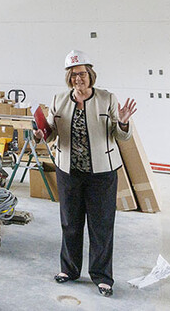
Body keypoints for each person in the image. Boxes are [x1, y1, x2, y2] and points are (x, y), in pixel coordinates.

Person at [33, 49, 137, 297]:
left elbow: (122, 135)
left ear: (90, 75)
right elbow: (52, 132)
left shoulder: (106, 98)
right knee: (70, 222)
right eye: (73, 75)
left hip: (101, 172)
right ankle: (69, 270)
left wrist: (122, 121)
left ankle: (102, 277)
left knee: (101, 225)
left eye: (82, 74)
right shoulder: (59, 99)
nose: (78, 79)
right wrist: (42, 134)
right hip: (69, 170)